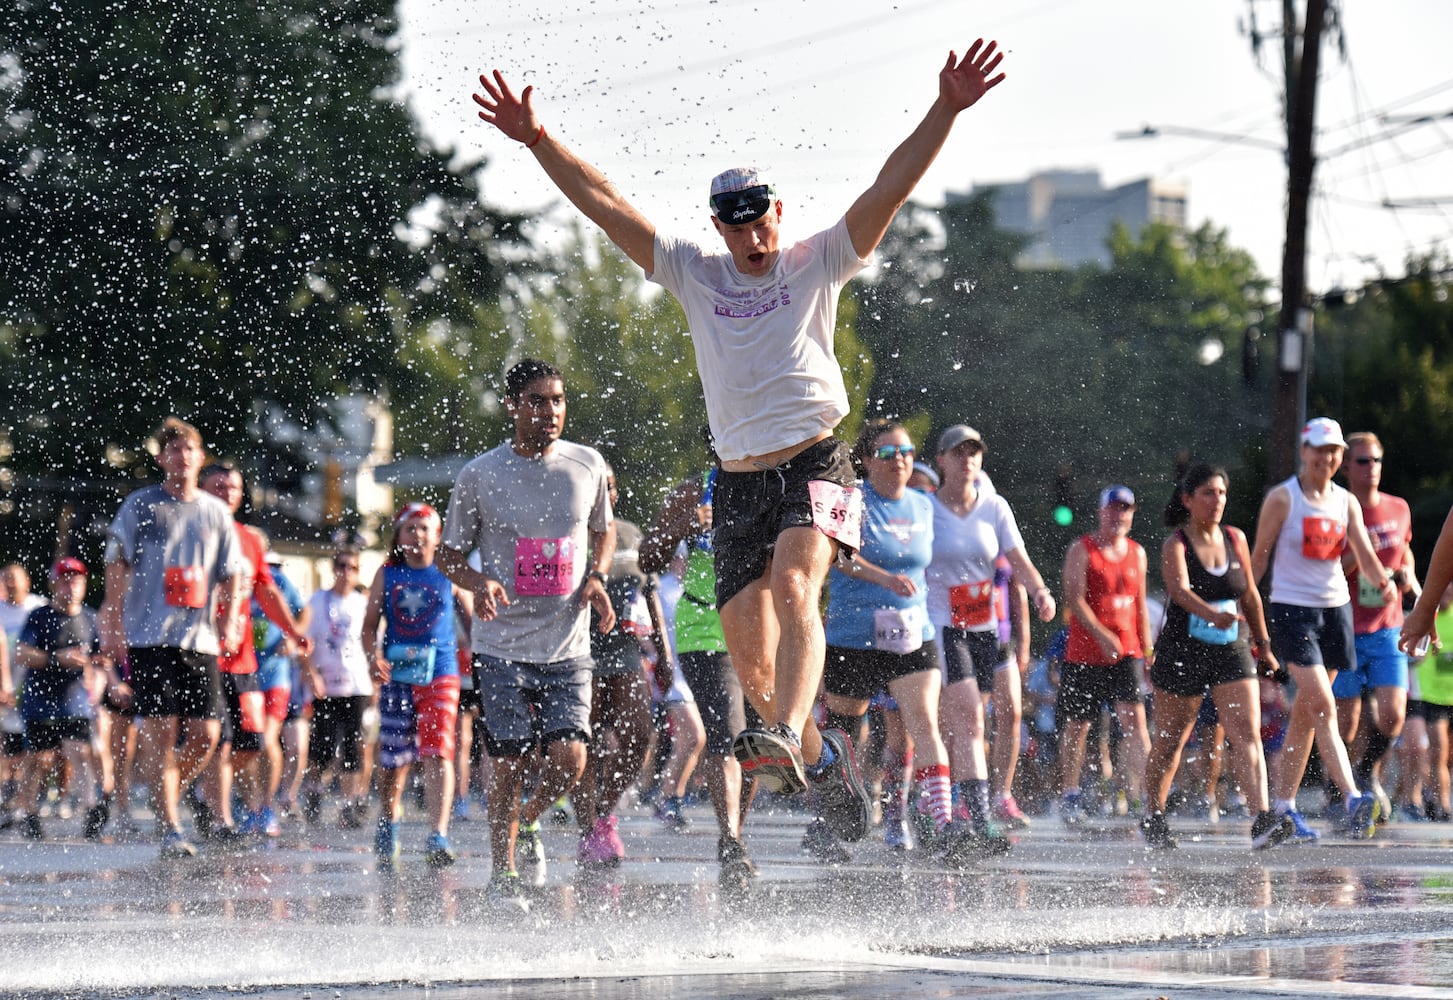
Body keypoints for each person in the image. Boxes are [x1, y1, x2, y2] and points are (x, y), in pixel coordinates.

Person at [472, 40, 1007, 843]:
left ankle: (791, 736)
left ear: (777, 215)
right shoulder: (697, 272)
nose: (751, 239)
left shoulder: (816, 259)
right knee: (749, 662)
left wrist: (946, 109)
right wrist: (539, 139)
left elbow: (888, 187)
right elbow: (607, 205)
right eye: (736, 228)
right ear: (718, 229)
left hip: (812, 459)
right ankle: (825, 763)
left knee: (796, 589)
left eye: (760, 222)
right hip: (738, 479)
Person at [436, 359, 615, 913]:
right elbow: (446, 554)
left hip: (568, 644)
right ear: (512, 405)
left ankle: (526, 818)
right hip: (502, 647)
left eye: (558, 400)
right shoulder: (480, 474)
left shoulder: (586, 465)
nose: (550, 411)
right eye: (537, 401)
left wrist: (597, 578)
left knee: (571, 758)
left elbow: (601, 532)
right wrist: (479, 579)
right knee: (508, 760)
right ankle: (502, 870)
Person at [98, 417, 245, 859]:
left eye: (189, 450)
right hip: (150, 639)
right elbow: (116, 565)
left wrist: (232, 618)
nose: (181, 457)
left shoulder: (215, 512)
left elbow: (234, 573)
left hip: (199, 639)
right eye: (173, 450)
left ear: (201, 458)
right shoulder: (140, 506)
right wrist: (113, 622)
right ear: (161, 458)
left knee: (208, 733)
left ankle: (167, 797)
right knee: (162, 734)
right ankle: (170, 826)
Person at [1251, 417, 1398, 841]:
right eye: (1320, 450)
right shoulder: (1283, 498)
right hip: (1292, 611)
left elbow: (1366, 557)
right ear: (1304, 451)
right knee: (1324, 705)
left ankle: (1283, 808)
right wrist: (1244, 605)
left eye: (1334, 452)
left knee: (1306, 714)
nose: (1327, 458)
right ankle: (1353, 797)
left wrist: (1386, 585)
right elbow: (1259, 560)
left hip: (1336, 611)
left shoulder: (1345, 502)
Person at [1139, 464, 1294, 850]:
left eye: (1222, 493)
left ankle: (1261, 818)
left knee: (1245, 732)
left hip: (1231, 648)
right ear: (1187, 500)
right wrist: (1212, 614)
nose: (1217, 501)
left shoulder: (1235, 538)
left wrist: (1265, 646)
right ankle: (1153, 814)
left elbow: (1250, 596)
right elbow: (1178, 590)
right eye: (1207, 493)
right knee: (1173, 738)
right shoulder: (1176, 543)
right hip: (1182, 650)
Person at [926, 425, 1057, 849]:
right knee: (969, 720)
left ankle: (952, 805)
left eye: (975, 454)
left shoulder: (995, 507)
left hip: (986, 627)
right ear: (941, 461)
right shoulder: (926, 508)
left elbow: (1019, 560)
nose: (968, 461)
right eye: (959, 453)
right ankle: (979, 820)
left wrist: (1040, 592)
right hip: (943, 625)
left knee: (984, 721)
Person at [640, 440, 759, 891]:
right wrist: (679, 528)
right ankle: (729, 841)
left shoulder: (771, 490)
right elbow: (649, 561)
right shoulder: (691, 494)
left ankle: (736, 834)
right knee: (726, 735)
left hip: (759, 626)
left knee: (761, 740)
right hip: (705, 628)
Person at [197, 462, 311, 841]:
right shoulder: (193, 531)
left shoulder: (246, 539)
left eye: (234, 487)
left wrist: (292, 631)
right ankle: (222, 818)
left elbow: (267, 589)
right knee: (218, 739)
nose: (227, 492)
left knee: (252, 741)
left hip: (243, 657)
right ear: (203, 489)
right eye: (219, 485)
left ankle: (204, 791)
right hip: (203, 652)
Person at [362, 503, 464, 869]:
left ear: (438, 536)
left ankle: (438, 833)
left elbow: (476, 613)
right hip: (398, 674)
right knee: (395, 759)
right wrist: (372, 656)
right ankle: (388, 819)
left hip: (441, 672)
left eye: (425, 528)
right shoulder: (387, 574)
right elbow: (369, 625)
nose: (417, 536)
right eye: (410, 529)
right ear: (399, 536)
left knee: (438, 750)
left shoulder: (450, 572)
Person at [573, 466, 656, 869]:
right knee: (582, 745)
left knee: (640, 733)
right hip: (579, 652)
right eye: (595, 487)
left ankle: (605, 811)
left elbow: (650, 589)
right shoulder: (569, 531)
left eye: (609, 486)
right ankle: (589, 827)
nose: (603, 493)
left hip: (624, 650)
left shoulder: (630, 532)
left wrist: (664, 653)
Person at [1056, 485, 1153, 824]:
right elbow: (1074, 599)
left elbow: (1140, 605)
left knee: (1135, 724)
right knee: (1079, 725)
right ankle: (1070, 793)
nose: (1119, 516)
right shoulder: (1082, 550)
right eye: (1113, 509)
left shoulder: (1137, 553)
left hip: (1126, 653)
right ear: (1101, 512)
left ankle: (1144, 796)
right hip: (1085, 653)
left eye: (1125, 509)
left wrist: (1147, 650)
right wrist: (1101, 634)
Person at [1331, 432, 1416, 818]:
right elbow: (1328, 565)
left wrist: (1406, 575)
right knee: (1345, 723)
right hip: (1346, 625)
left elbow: (1405, 548)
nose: (1372, 469)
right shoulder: (1335, 509)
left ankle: (1367, 775)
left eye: (1377, 460)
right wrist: (1365, 561)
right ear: (1347, 466)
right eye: (1363, 461)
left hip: (1387, 625)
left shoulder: (1398, 507)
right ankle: (1343, 789)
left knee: (1392, 714)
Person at [12, 559, 110, 841]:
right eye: (65, 580)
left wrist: (101, 671)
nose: (71, 586)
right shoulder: (39, 616)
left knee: (80, 752)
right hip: (40, 701)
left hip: (76, 700)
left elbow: (100, 659)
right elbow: (21, 653)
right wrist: (56, 659)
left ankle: (92, 809)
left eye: (76, 580)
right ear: (54, 583)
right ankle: (28, 811)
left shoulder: (90, 619)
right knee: (39, 759)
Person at [299, 547, 374, 828]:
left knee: (354, 746)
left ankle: (348, 804)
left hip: (357, 684)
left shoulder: (362, 603)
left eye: (353, 568)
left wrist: (375, 681)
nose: (346, 572)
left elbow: (372, 643)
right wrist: (311, 673)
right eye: (342, 566)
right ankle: (315, 791)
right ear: (334, 569)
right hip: (326, 685)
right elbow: (302, 642)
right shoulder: (316, 601)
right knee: (324, 747)